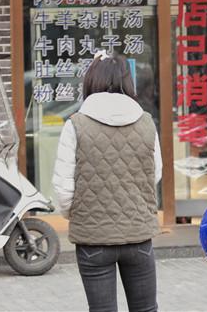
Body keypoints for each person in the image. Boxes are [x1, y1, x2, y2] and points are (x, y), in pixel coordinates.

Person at [52, 53, 162, 312]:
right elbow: (154, 173)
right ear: (128, 81)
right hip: (138, 234)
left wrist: (79, 215)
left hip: (93, 240)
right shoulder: (146, 122)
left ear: (91, 81)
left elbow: (63, 187)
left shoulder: (75, 125)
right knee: (146, 309)